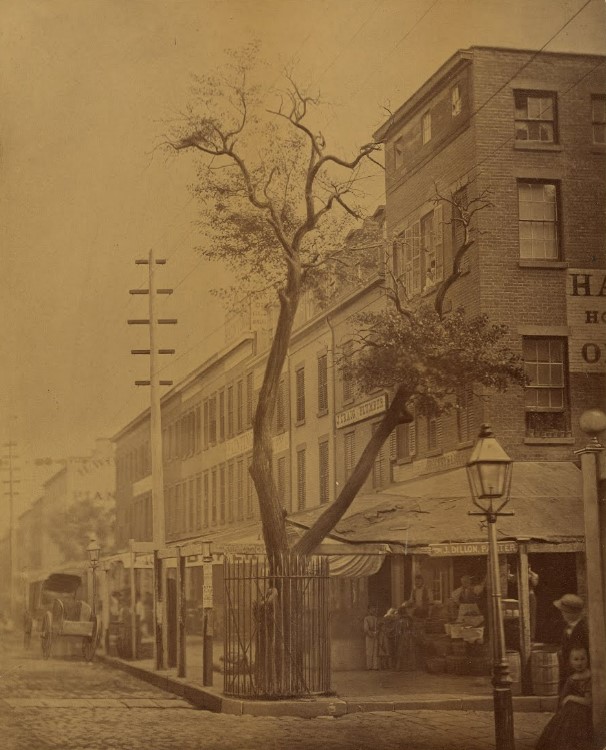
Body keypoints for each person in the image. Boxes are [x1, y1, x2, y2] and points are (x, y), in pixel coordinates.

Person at [535, 646, 593, 750]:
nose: (579, 663)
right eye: (576, 659)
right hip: (569, 711)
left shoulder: (589, 677)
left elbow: (589, 701)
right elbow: (562, 699)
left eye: (582, 658)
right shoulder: (571, 679)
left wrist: (570, 697)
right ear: (570, 662)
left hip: (584, 714)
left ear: (587, 659)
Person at [554, 593, 589, 689]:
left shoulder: (583, 629)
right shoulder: (567, 628)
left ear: (572, 613)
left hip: (581, 675)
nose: (562, 614)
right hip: (568, 672)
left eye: (564, 611)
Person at [363, 604, 379, 670]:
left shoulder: (376, 618)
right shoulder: (366, 618)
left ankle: (375, 666)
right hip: (369, 636)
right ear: (368, 610)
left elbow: (378, 627)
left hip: (375, 636)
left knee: (375, 651)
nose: (373, 610)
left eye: (374, 609)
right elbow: (366, 629)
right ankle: (369, 666)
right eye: (372, 609)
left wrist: (376, 632)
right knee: (369, 651)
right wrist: (371, 634)